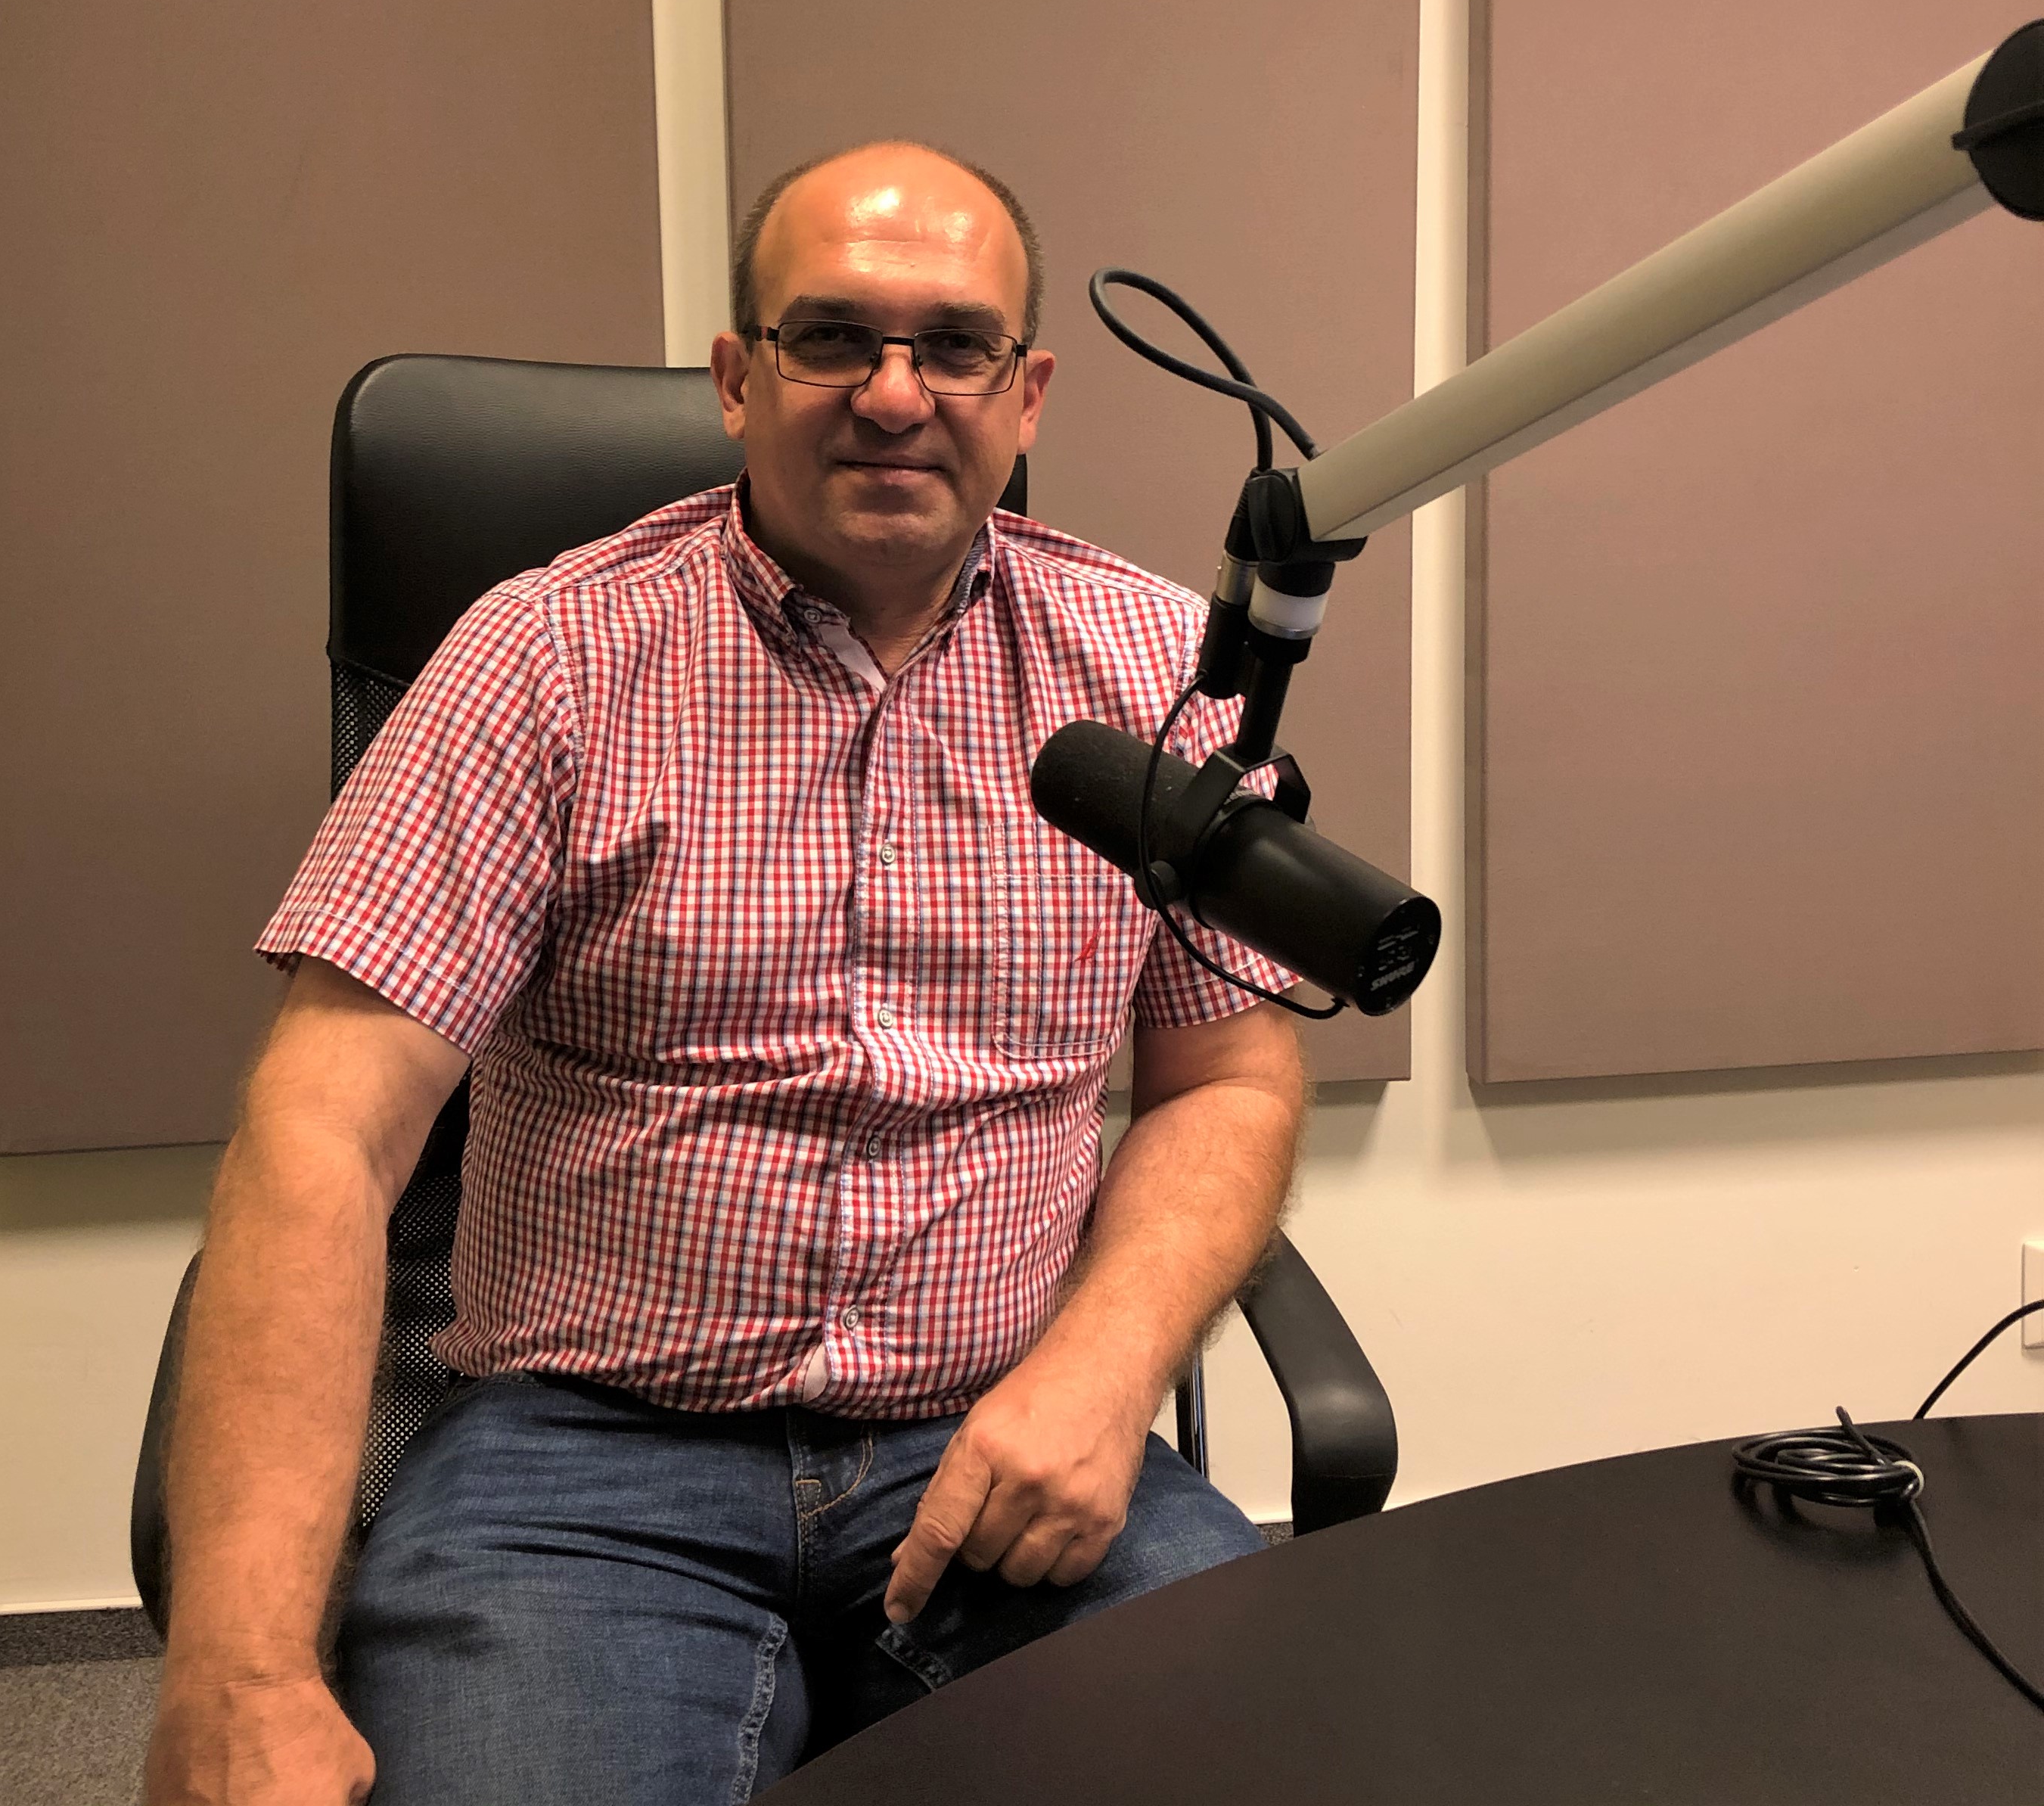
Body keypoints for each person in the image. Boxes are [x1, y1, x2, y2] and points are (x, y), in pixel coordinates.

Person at [143, 143, 1306, 1805]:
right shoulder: (545, 659)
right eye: (831, 337)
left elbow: (1231, 1079)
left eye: (955, 346)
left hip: (993, 1424)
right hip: (585, 1467)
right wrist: (242, 1668)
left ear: (1028, 392)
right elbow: (321, 1132)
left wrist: (1106, 1370)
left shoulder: (1156, 671)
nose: (894, 395)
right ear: (738, 379)